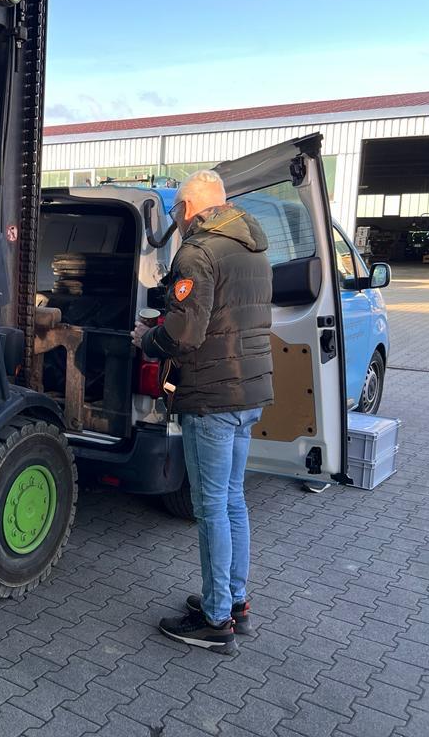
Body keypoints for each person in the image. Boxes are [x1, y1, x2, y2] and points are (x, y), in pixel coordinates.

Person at [131, 169, 273, 654]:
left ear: (188, 208)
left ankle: (215, 622)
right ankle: (234, 602)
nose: (177, 220)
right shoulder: (253, 248)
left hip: (212, 395)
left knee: (210, 507)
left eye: (176, 211)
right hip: (248, 391)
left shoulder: (198, 251)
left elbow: (185, 334)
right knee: (232, 500)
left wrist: (147, 339)